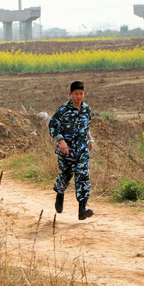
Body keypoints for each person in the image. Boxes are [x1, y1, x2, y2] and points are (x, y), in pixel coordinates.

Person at [48, 81, 94, 220]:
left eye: (81, 93)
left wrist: (90, 139)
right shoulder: (63, 110)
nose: (79, 96)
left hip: (82, 149)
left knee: (83, 176)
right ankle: (60, 193)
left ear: (84, 94)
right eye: (76, 93)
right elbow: (53, 126)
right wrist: (60, 141)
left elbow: (86, 126)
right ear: (70, 94)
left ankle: (82, 208)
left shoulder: (86, 109)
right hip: (67, 149)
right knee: (67, 173)